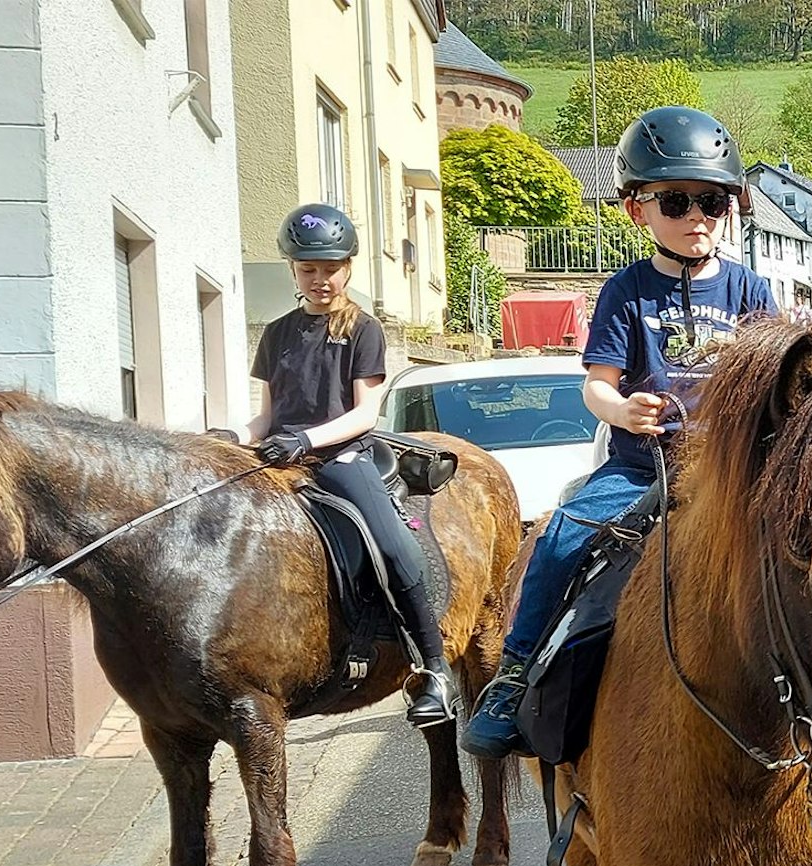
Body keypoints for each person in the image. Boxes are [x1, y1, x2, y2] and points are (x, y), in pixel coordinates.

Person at [461, 105, 776, 759]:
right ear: (638, 210)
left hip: (729, 472)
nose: (698, 217)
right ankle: (514, 675)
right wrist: (623, 410)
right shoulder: (626, 292)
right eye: (678, 201)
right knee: (559, 540)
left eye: (713, 202)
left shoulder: (750, 290)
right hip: (641, 468)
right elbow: (596, 385)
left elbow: (774, 385)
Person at [216, 202, 454, 727]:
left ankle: (433, 669)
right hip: (280, 456)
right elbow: (267, 417)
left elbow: (365, 413)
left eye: (330, 268)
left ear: (348, 267)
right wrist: (234, 437)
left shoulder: (363, 329)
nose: (320, 279)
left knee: (395, 546)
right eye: (308, 269)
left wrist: (304, 439)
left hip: (341, 455)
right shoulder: (277, 333)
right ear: (293, 271)